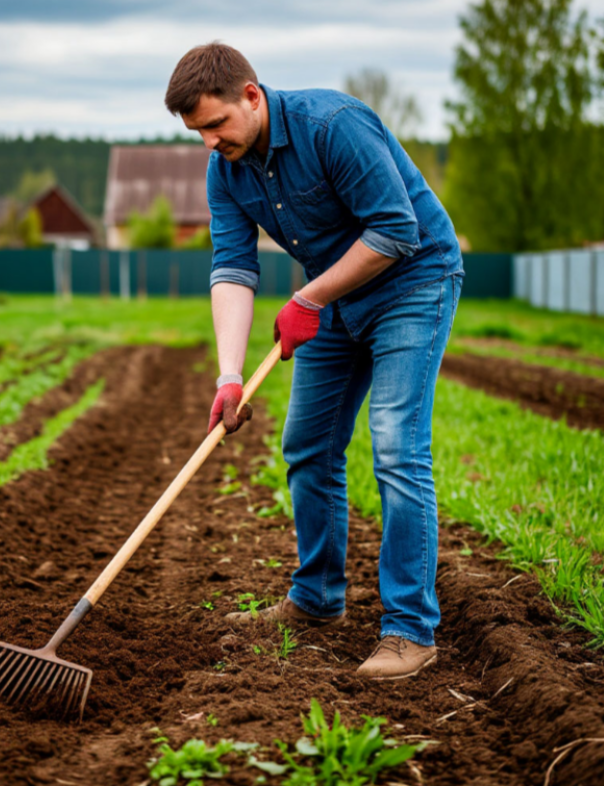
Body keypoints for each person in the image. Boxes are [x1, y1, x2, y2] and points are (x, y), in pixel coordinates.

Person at [165, 43, 463, 681]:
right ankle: (318, 598)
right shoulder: (227, 169)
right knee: (307, 444)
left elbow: (395, 230)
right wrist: (229, 374)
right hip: (333, 296)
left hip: (413, 282)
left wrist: (308, 295)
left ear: (252, 95)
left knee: (395, 445)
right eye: (198, 133)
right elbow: (232, 267)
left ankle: (411, 630)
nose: (210, 143)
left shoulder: (333, 126)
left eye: (216, 125)